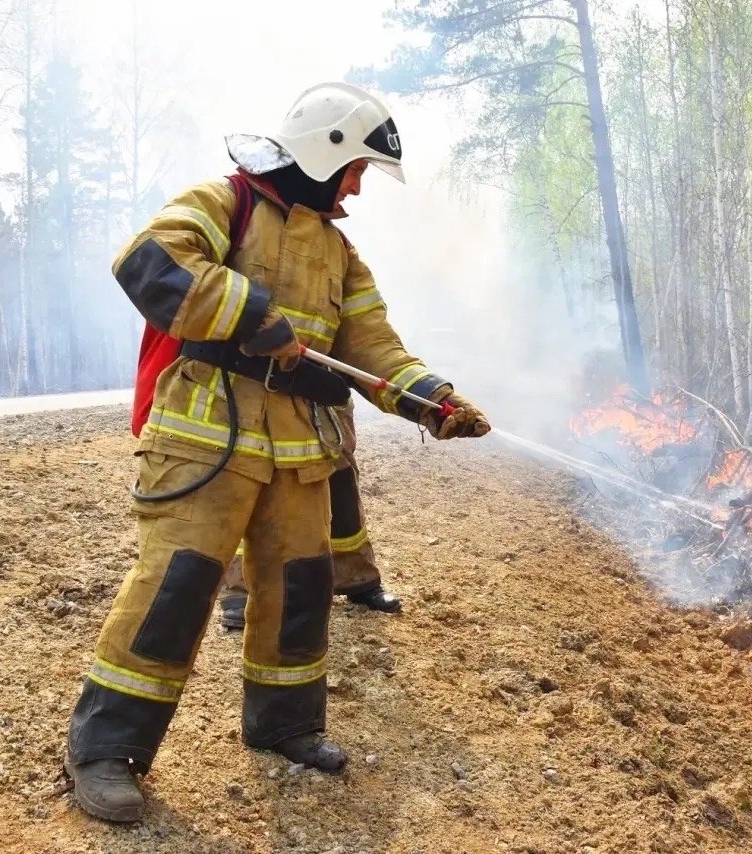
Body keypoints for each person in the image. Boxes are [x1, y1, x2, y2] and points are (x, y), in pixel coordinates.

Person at [63, 82, 490, 823]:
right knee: (177, 589)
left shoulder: (339, 252)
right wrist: (249, 314)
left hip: (299, 446)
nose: (358, 186)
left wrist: (432, 399)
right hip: (207, 436)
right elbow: (148, 260)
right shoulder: (221, 201)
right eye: (356, 168)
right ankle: (107, 750)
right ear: (325, 152)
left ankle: (285, 725)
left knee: (299, 590)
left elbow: (372, 347)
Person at [219, 397, 400, 629]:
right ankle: (241, 590)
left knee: (340, 486)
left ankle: (357, 578)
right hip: (251, 392)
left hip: (320, 394)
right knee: (250, 481)